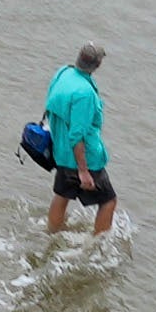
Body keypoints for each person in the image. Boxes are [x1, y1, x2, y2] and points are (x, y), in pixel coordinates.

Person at [41, 44, 116, 236]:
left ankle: (52, 233)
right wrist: (83, 171)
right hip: (84, 157)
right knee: (108, 201)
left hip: (61, 151)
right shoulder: (85, 93)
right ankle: (98, 243)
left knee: (62, 194)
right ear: (97, 65)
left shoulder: (64, 73)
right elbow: (77, 135)